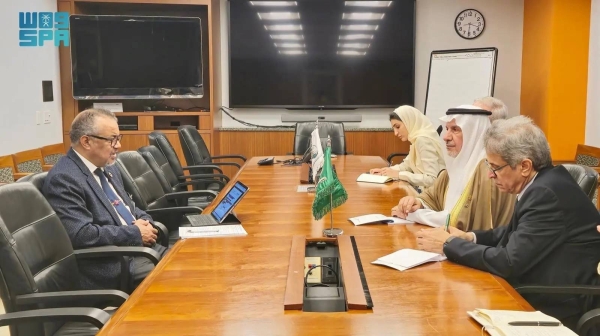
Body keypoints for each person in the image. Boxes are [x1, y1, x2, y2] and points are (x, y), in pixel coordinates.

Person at [416, 116, 600, 329]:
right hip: (542, 284)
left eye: (495, 167)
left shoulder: (545, 192)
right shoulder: (545, 181)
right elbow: (517, 232)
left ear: (524, 166)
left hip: (558, 300)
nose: (490, 175)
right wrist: (469, 237)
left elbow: (509, 263)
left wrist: (448, 245)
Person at [43, 108, 169, 291]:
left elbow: (130, 207)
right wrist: (134, 233)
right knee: (180, 277)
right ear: (86, 141)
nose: (118, 145)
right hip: (114, 264)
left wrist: (146, 223)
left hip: (137, 250)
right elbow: (82, 235)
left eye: (119, 138)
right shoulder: (64, 178)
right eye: (112, 140)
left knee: (193, 262)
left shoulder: (109, 168)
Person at [393, 105, 515, 231]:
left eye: (455, 129)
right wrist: (417, 203)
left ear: (473, 133)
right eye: (447, 129)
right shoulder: (455, 164)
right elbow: (432, 197)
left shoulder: (488, 170)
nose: (446, 136)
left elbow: (465, 225)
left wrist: (417, 215)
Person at [370, 105, 445, 190]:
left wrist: (399, 175)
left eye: (397, 127)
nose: (395, 133)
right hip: (425, 192)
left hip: (433, 197)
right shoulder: (416, 139)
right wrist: (385, 171)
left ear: (409, 121)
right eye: (394, 129)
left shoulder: (423, 140)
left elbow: (432, 179)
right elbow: (406, 166)